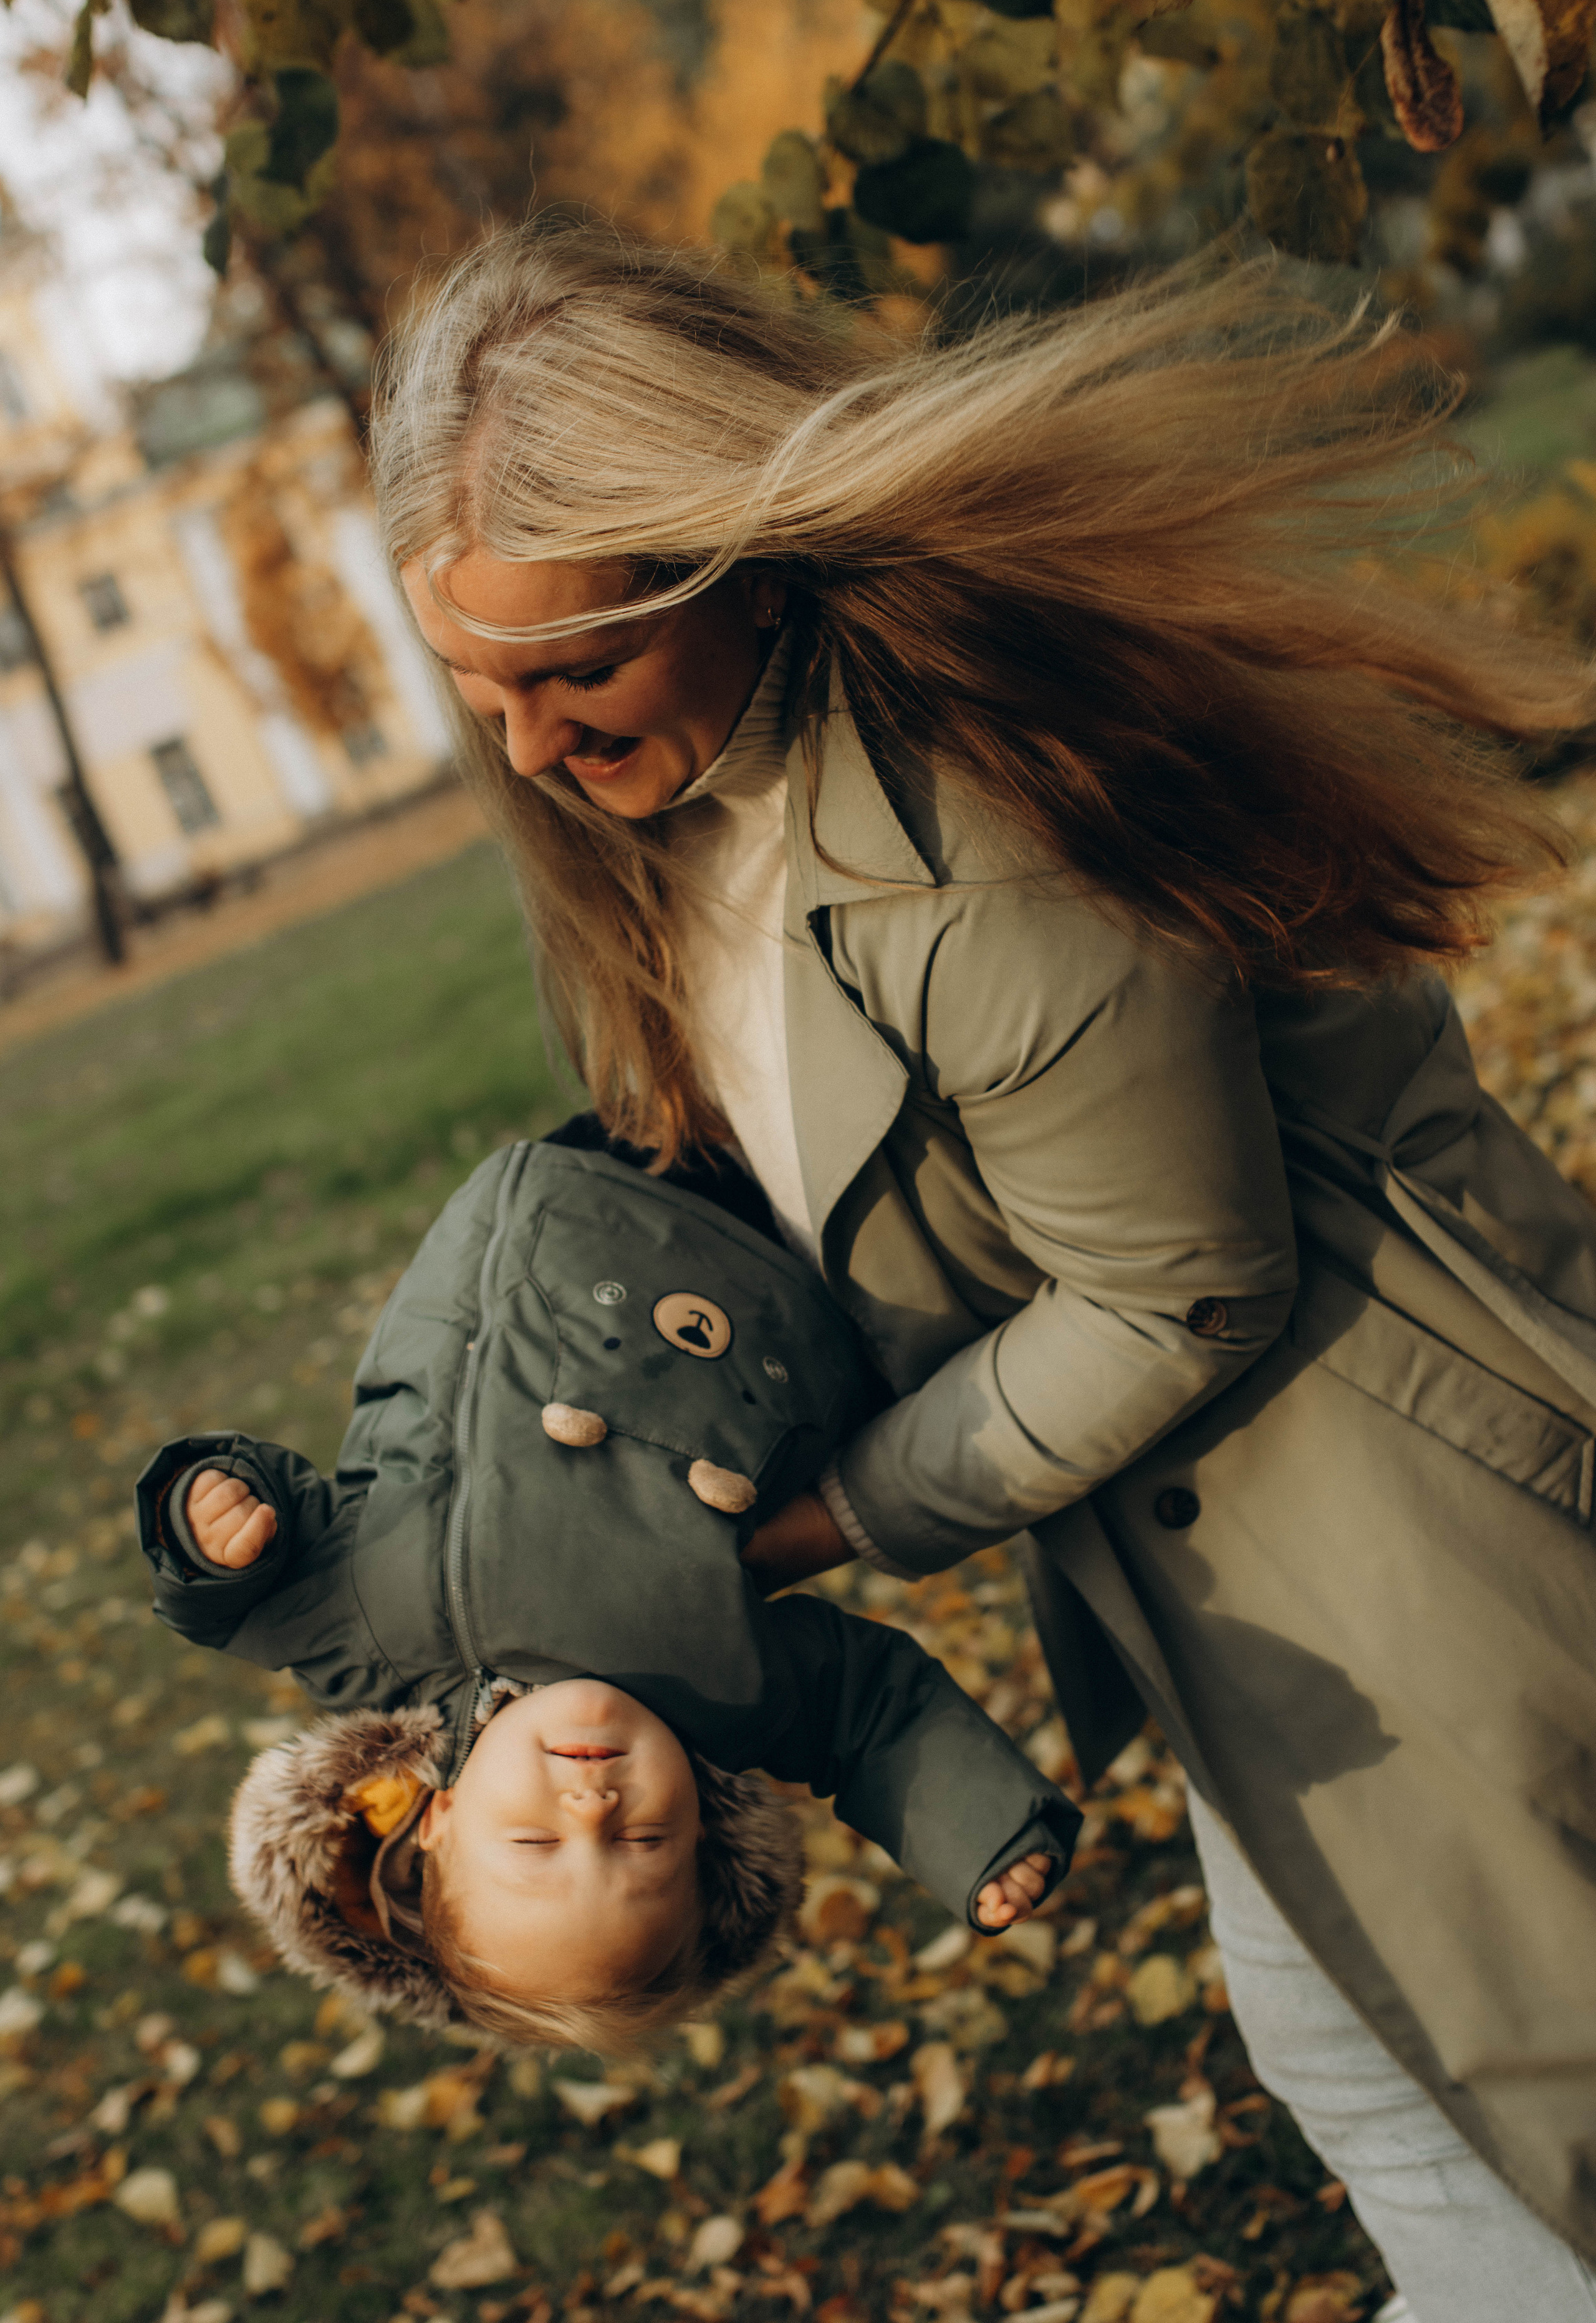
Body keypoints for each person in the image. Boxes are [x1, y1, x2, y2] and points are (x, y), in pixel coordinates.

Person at [369, 218, 1596, 2319]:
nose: (532, 749)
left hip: (1409, 1521)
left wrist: (823, 1524)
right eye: (481, 692)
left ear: (743, 562)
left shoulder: (985, 837)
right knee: (1391, 2085)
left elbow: (1174, 1297)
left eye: (575, 673)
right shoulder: (695, 827)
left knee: (1508, 2119)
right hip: (1223, 1567)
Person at [133, 1125, 1077, 2050]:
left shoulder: (364, 1651)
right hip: (758, 1260)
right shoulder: (725, 1693)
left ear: (442, 1822)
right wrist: (979, 1833)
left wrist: (215, 1534)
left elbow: (253, 1592)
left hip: (559, 1195)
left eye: (536, 1848)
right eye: (646, 1846)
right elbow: (872, 1708)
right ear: (703, 1830)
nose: (594, 1812)